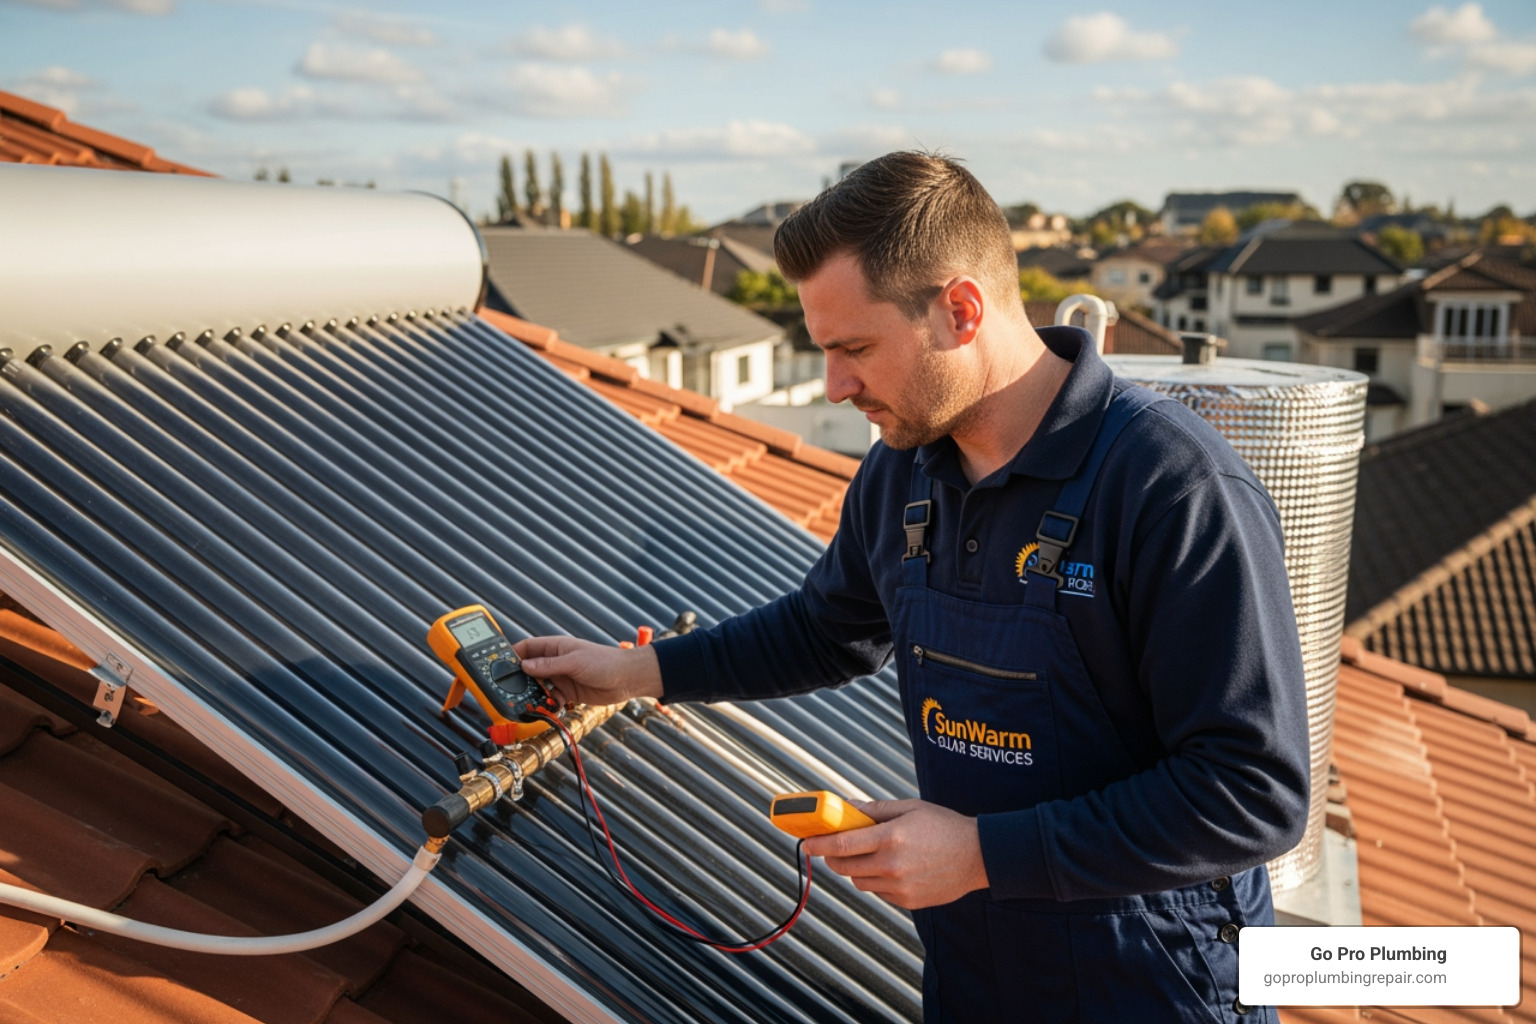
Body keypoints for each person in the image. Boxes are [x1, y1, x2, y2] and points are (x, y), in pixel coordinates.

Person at [515, 151, 1309, 1023]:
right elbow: (824, 630)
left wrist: (981, 853)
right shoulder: (903, 475)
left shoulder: (1171, 488)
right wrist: (635, 674)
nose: (835, 386)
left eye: (855, 349)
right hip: (977, 973)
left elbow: (1251, 791)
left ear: (960, 310)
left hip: (1156, 983)